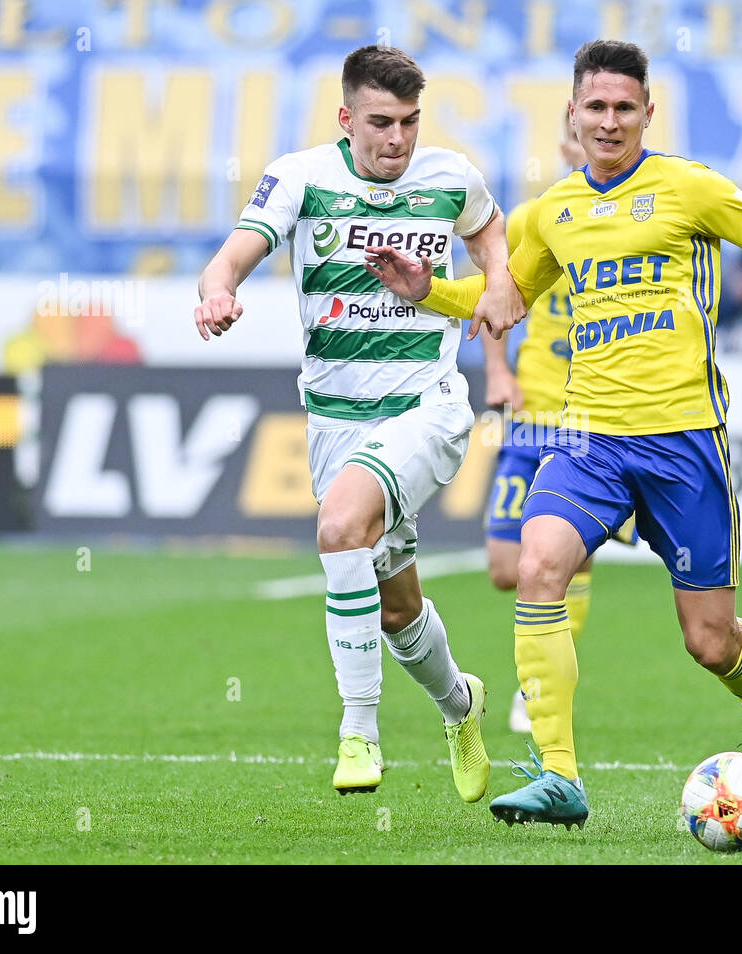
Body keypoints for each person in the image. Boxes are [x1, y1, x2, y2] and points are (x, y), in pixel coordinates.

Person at [365, 39, 742, 828]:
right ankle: (559, 775)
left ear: (649, 113)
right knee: (540, 562)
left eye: (624, 107)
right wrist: (430, 290)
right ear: (571, 115)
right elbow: (502, 300)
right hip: (590, 441)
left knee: (710, 642)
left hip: (685, 443)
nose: (609, 122)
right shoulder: (554, 214)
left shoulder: (689, 189)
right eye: (595, 107)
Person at [194, 44, 524, 799]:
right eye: (381, 122)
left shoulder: (449, 175)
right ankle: (460, 703)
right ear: (347, 119)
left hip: (428, 407)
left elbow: (490, 227)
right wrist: (217, 293)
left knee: (341, 525)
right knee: (396, 608)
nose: (398, 139)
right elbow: (230, 260)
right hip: (337, 421)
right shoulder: (302, 176)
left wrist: (498, 281)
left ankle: (358, 732)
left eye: (409, 122)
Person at [481, 109, 637, 734]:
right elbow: (491, 294)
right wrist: (497, 371)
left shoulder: (635, 218)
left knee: (567, 559)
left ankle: (540, 685)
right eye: (580, 134)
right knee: (502, 566)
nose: (592, 144)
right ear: (563, 141)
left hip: (591, 419)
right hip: (529, 413)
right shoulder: (534, 219)